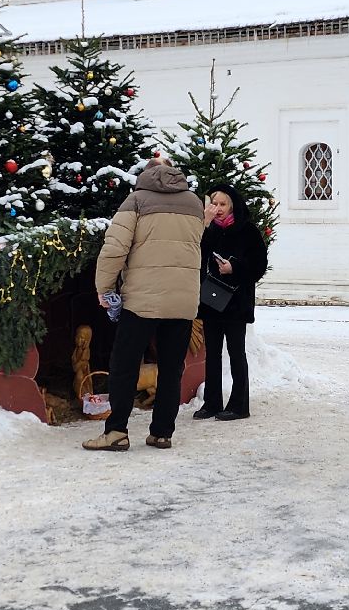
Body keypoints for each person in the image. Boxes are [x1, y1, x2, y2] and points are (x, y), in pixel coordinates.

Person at [86, 159, 206, 452]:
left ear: (145, 175)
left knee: (124, 366)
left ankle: (116, 431)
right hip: (182, 300)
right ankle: (162, 433)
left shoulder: (136, 201)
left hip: (142, 300)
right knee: (171, 369)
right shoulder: (194, 203)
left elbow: (115, 249)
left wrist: (104, 288)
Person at [195, 183, 269, 422]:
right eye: (214, 203)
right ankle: (211, 403)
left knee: (236, 353)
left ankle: (239, 405)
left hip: (236, 302)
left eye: (223, 204)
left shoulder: (247, 230)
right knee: (212, 354)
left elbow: (259, 265)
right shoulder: (208, 229)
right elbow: (195, 255)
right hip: (211, 301)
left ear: (232, 205)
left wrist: (234, 267)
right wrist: (204, 226)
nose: (218, 208)